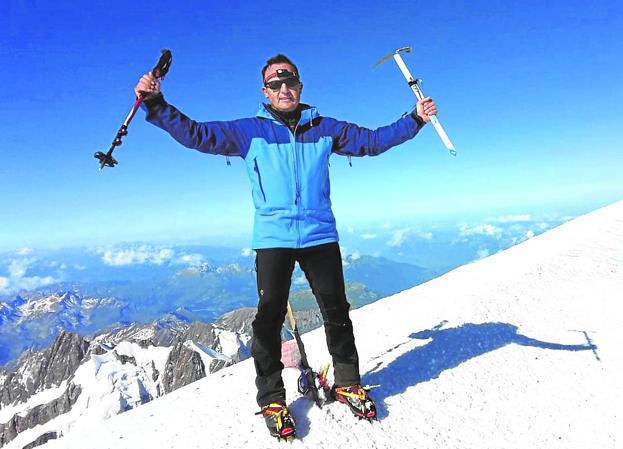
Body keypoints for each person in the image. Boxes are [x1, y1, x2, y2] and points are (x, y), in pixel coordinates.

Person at [135, 54, 437, 440]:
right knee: (267, 319)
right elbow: (197, 134)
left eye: (289, 82)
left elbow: (373, 142)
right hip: (273, 239)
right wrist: (156, 104)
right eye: (275, 85)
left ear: (300, 86)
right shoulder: (249, 132)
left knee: (337, 311)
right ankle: (272, 399)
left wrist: (414, 120)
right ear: (265, 92)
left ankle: (347, 382)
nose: (283, 89)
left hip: (319, 236)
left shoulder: (325, 128)